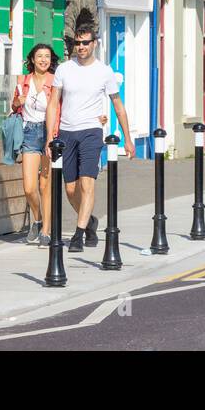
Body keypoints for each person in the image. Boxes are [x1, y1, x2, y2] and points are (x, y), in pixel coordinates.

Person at [45, 22, 133, 253]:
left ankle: (78, 234)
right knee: (71, 190)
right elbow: (53, 103)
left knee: (87, 184)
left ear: (94, 43)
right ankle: (91, 221)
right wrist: (49, 136)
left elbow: (118, 106)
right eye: (77, 43)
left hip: (92, 132)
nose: (81, 47)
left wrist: (128, 138)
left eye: (85, 43)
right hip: (66, 132)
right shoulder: (64, 69)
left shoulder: (104, 72)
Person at [9, 43, 57, 245]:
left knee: (45, 185)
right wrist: (17, 102)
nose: (43, 60)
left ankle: (46, 230)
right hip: (29, 132)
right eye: (39, 56)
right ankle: (36, 219)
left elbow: (59, 108)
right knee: (29, 187)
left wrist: (52, 136)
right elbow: (14, 105)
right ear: (32, 59)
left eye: (47, 56)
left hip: (48, 133)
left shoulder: (55, 81)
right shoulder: (23, 81)